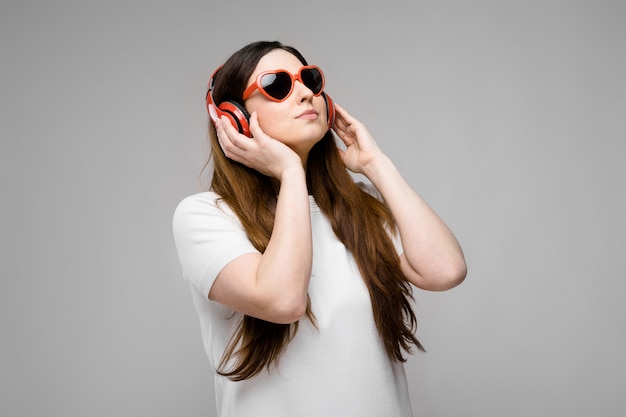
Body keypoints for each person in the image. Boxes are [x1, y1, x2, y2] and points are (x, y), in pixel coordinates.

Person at [172, 40, 466, 417]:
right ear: (235, 119)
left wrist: (376, 163)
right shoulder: (205, 217)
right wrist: (290, 172)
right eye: (278, 85)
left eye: (309, 80)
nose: (306, 93)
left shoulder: (358, 211)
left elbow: (445, 270)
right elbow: (283, 300)